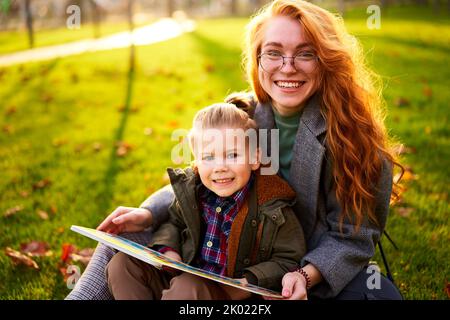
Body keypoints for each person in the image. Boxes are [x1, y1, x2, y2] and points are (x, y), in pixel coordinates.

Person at [67, 0, 403, 300]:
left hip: (291, 272)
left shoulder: (357, 140)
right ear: (257, 59)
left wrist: (303, 275)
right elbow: (203, 179)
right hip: (219, 255)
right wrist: (149, 214)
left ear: (326, 60)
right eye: (273, 52)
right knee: (127, 236)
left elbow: (354, 239)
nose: (287, 66)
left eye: (305, 53)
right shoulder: (242, 115)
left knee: (379, 295)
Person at [105, 102, 305, 300]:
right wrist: (169, 250)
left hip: (229, 293)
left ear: (254, 158)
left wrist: (251, 280)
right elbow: (174, 223)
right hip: (181, 279)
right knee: (122, 264)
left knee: (188, 287)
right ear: (196, 163)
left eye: (233, 155)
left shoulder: (272, 206)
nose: (220, 167)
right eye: (208, 157)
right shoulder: (194, 193)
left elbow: (288, 258)